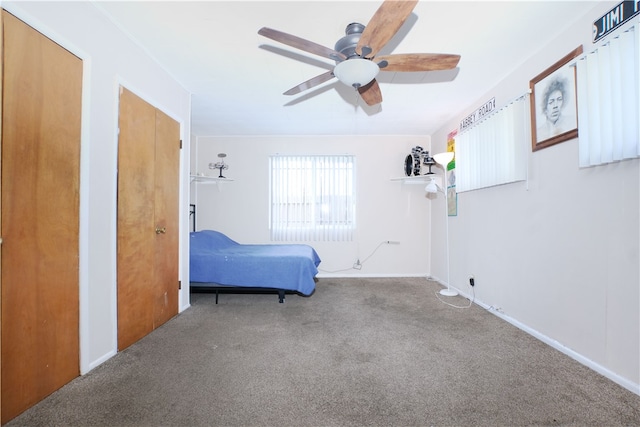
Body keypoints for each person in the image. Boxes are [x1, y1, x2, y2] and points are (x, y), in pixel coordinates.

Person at [536, 76, 575, 142]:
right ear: (545, 107)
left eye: (559, 100)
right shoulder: (539, 133)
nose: (555, 106)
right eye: (551, 102)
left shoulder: (572, 122)